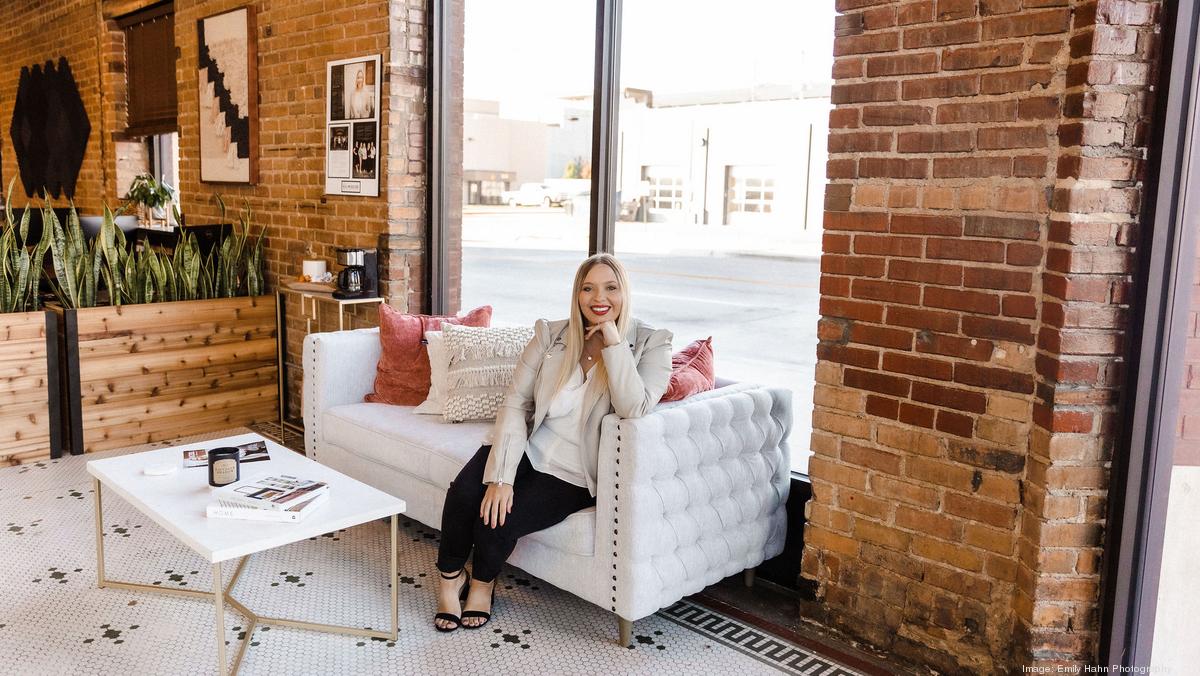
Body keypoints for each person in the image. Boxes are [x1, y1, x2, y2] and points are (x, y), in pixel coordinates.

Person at [432, 253, 673, 632]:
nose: (600, 297)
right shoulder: (551, 335)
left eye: (611, 288)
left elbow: (633, 407)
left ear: (624, 292)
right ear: (577, 294)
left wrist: (612, 341)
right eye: (588, 287)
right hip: (527, 447)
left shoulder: (652, 344)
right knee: (464, 494)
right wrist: (502, 477)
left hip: (575, 473)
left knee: (498, 519)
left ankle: (482, 584)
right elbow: (516, 402)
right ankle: (450, 582)